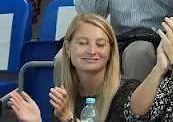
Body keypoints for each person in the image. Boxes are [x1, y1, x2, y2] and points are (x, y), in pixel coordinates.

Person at [9, 14, 140, 122]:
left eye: (100, 44)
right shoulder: (67, 98)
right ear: (67, 48)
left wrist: (68, 117)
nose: (92, 51)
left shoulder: (128, 93)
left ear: (111, 51)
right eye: (82, 43)